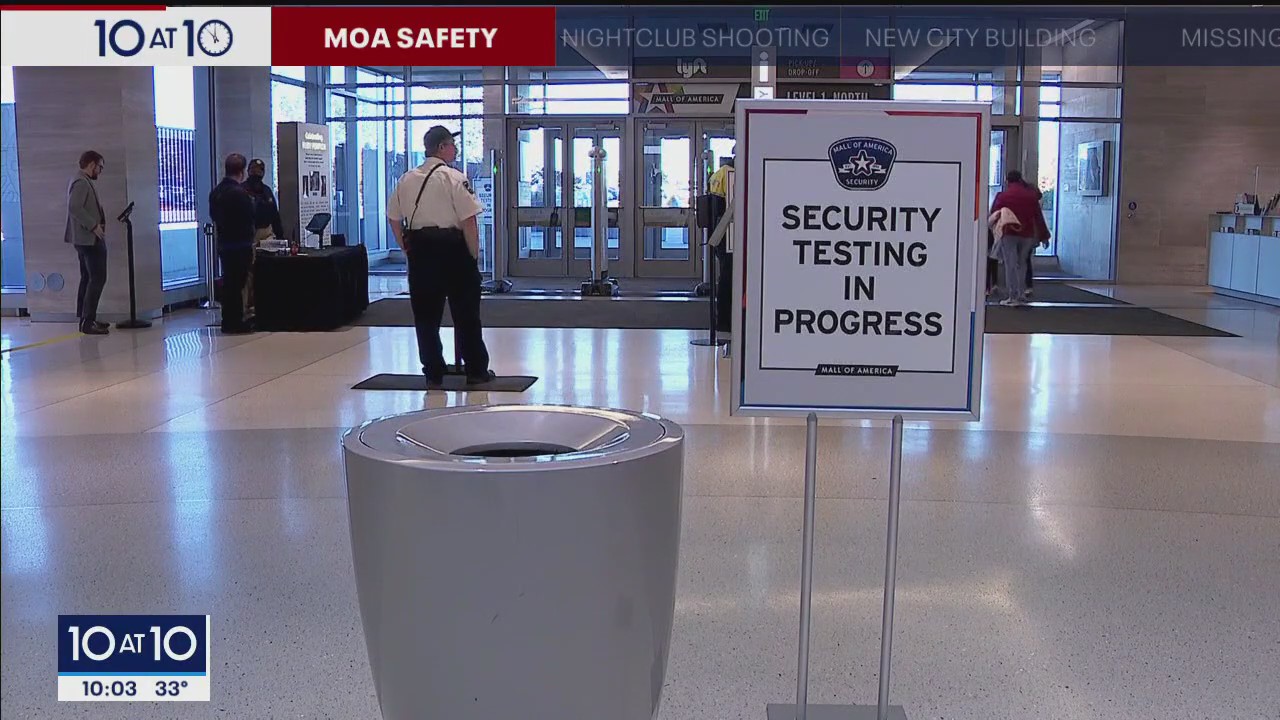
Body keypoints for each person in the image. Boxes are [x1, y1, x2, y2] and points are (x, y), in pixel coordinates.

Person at [387, 126, 494, 387]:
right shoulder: (455, 178)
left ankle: (433, 371)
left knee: (425, 315)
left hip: (420, 251)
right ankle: (476, 370)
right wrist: (473, 256)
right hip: (452, 250)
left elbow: (393, 218)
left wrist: (406, 247)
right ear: (441, 148)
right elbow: (468, 222)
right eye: (452, 145)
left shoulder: (406, 179)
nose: (455, 150)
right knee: (466, 313)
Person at [208, 153, 257, 334]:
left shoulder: (216, 192)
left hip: (224, 243)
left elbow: (214, 216)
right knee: (237, 283)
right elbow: (251, 217)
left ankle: (228, 319)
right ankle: (235, 321)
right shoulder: (240, 193)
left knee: (229, 282)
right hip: (240, 244)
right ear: (242, 172)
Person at [65, 150, 110, 335]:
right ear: (91, 164)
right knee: (97, 278)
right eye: (100, 167)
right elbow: (74, 207)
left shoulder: (82, 180)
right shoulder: (81, 182)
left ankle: (86, 318)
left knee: (88, 278)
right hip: (89, 240)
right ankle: (87, 321)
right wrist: (93, 226)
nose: (100, 171)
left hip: (84, 239)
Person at [990, 170, 1050, 307]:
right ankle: (1022, 293)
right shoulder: (1031, 196)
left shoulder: (1003, 196)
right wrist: (1044, 236)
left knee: (1010, 264)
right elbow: (1038, 217)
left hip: (1009, 232)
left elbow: (994, 213)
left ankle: (1012, 295)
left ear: (1007, 181)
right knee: (1022, 263)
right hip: (1027, 234)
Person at [243, 158, 283, 313]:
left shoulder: (266, 191)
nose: (256, 173)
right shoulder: (243, 190)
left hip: (267, 233)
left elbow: (275, 214)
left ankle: (264, 301)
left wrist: (280, 235)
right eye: (254, 170)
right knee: (249, 271)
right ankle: (247, 305)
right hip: (250, 235)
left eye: (259, 170)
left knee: (268, 267)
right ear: (248, 171)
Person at [706, 149, 735, 332]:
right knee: (729, 278)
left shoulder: (719, 174)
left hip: (720, 232)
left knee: (725, 277)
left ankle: (722, 320)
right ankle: (725, 321)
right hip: (731, 232)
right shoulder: (733, 175)